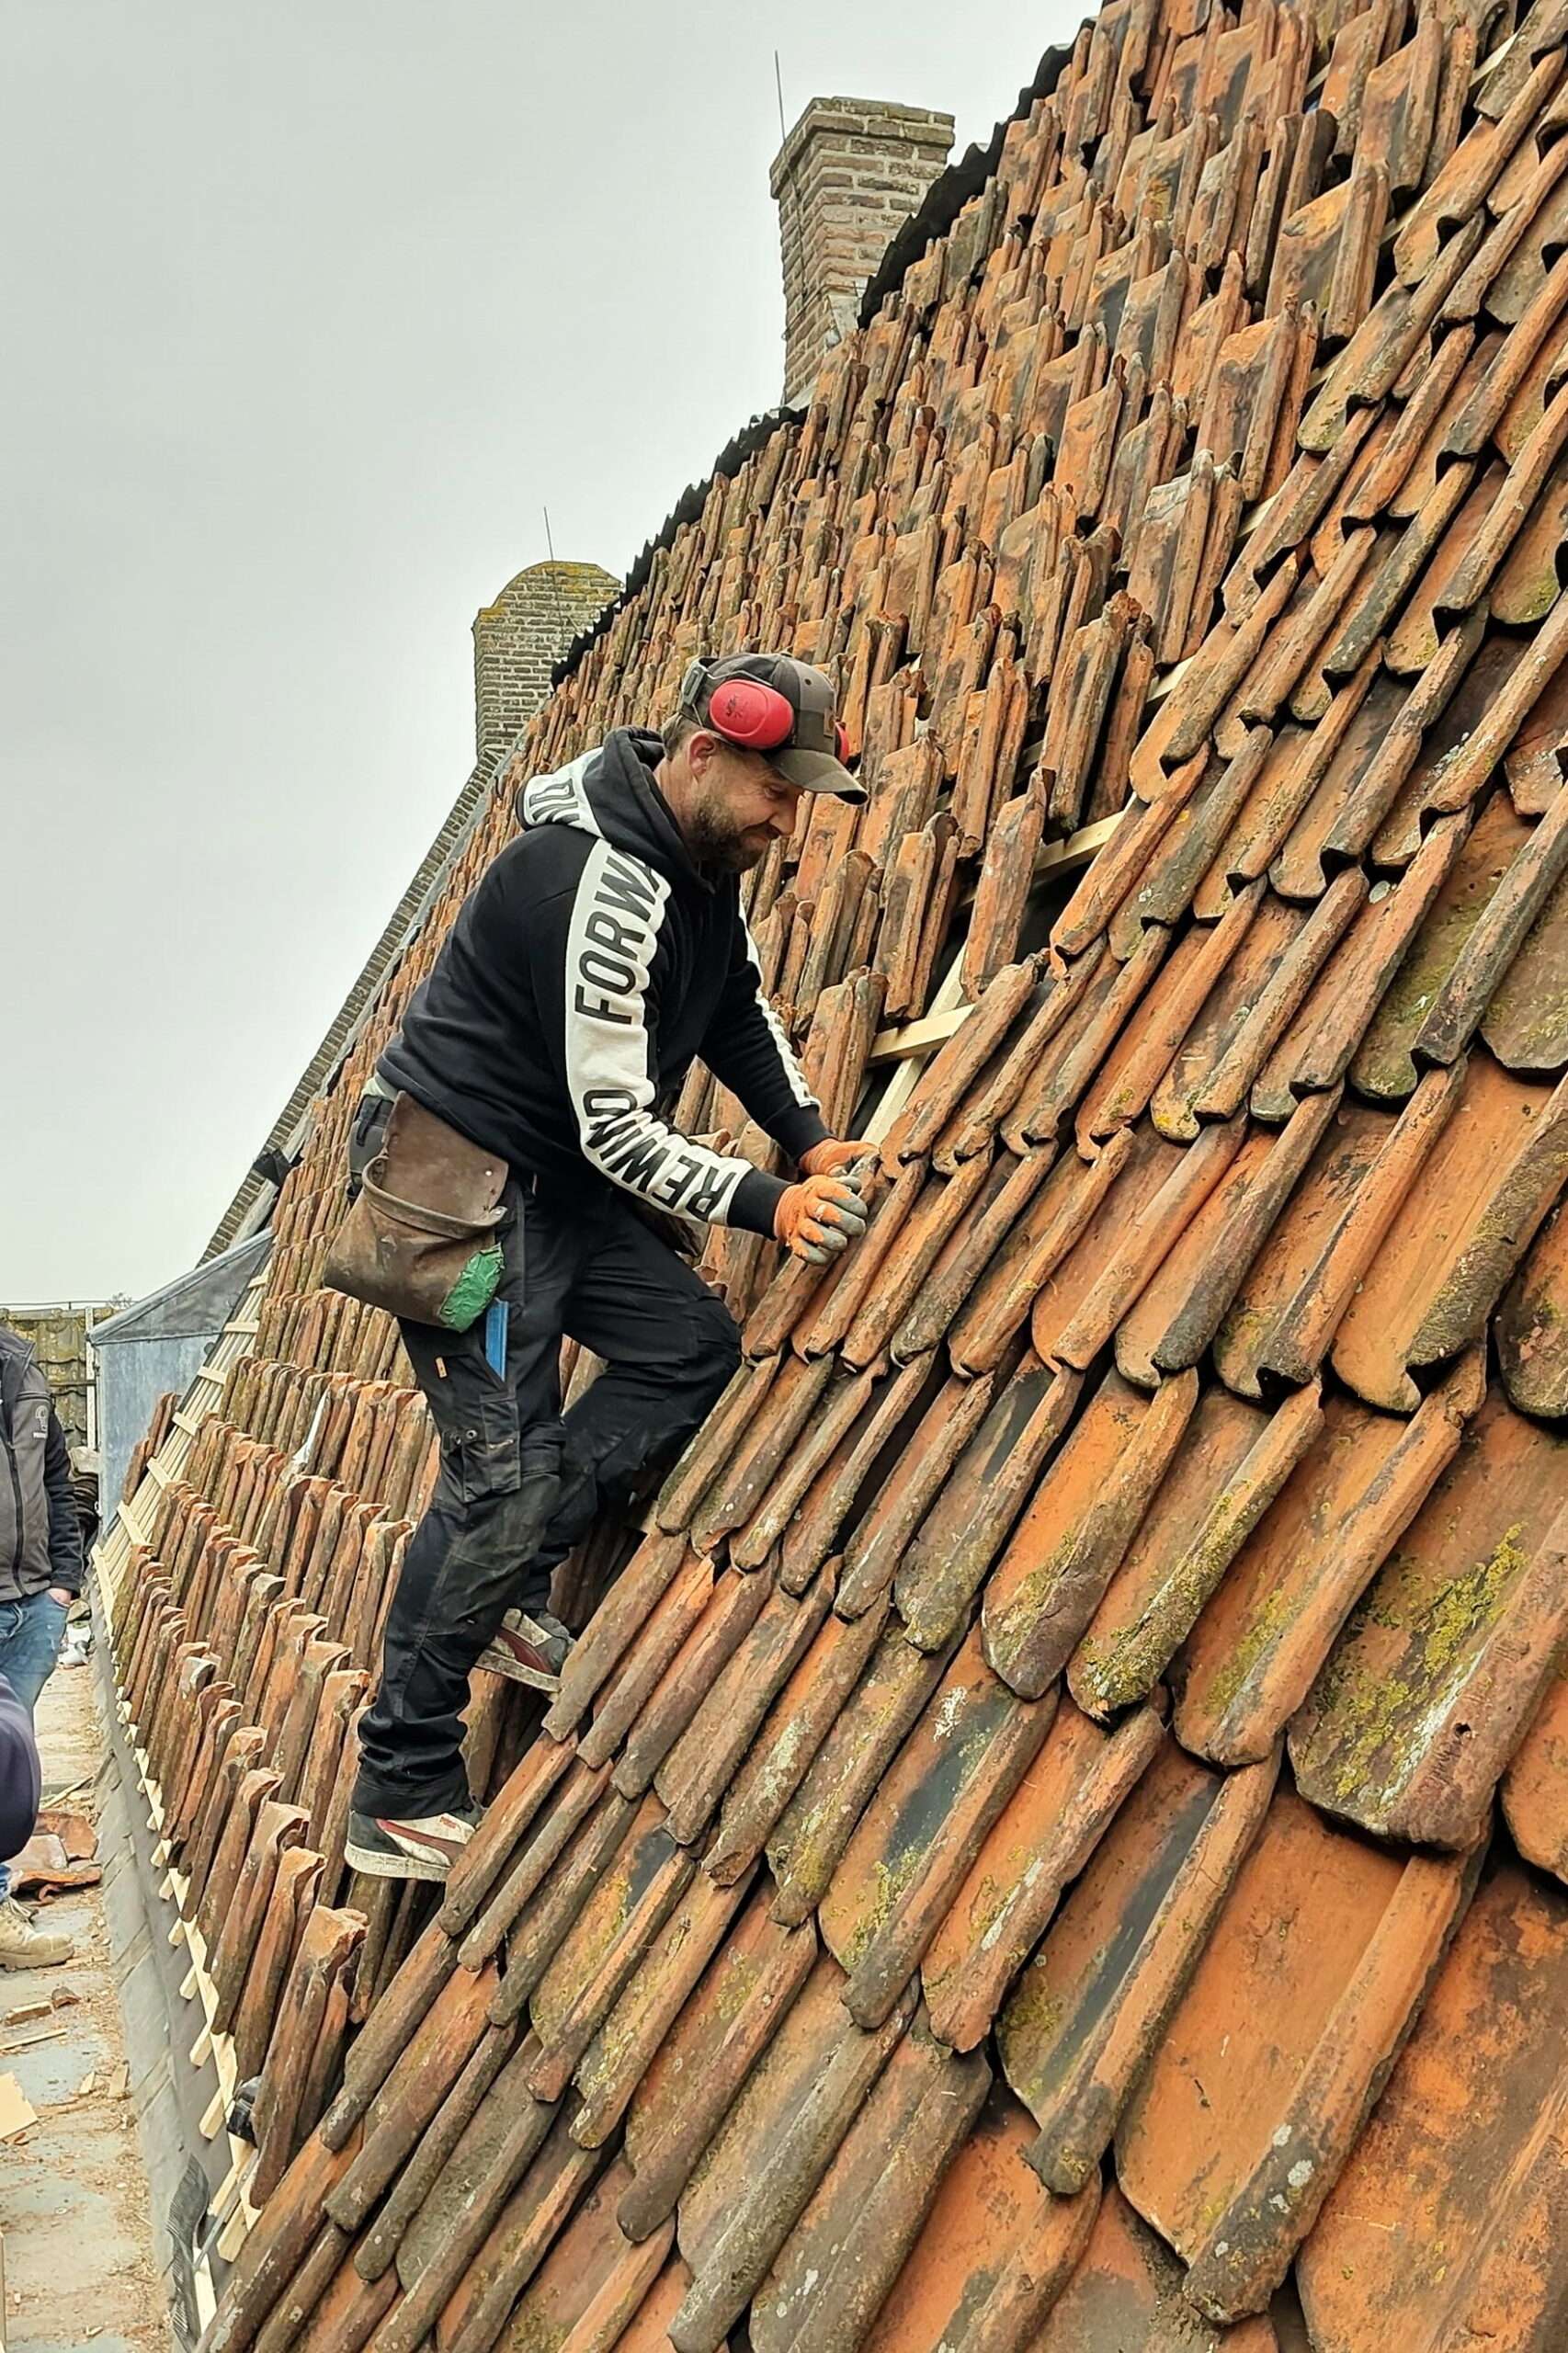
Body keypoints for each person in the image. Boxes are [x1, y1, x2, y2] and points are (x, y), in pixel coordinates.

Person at [345, 654, 873, 1881]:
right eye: (774, 793)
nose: (784, 823)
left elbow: (733, 1006)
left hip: (559, 1188)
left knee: (686, 1351)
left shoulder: (697, 865)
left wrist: (804, 1133)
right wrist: (767, 1200)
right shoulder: (594, 880)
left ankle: (509, 1593)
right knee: (495, 1470)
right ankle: (401, 1783)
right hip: (461, 1193)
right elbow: (616, 1127)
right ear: (701, 754)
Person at [0, 1324, 82, 1966]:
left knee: (9, 1771)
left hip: (32, 1605)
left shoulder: (25, 1372)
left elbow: (59, 1480)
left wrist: (63, 1583)